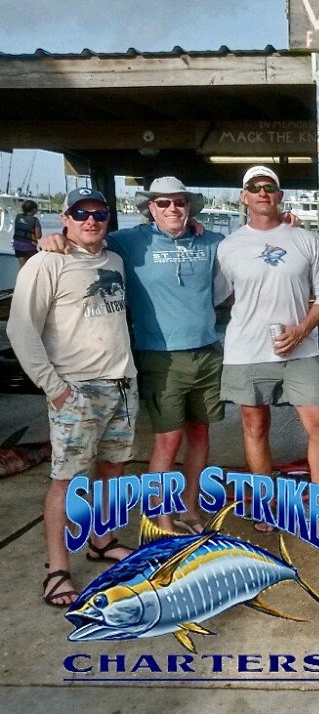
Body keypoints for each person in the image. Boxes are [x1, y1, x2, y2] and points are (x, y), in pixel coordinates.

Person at [40, 177, 227, 532]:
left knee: (201, 434)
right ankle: (162, 516)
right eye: (163, 203)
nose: (172, 208)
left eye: (179, 202)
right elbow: (87, 237)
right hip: (160, 356)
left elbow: (251, 248)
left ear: (189, 206)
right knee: (168, 440)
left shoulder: (211, 240)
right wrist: (54, 237)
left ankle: (189, 508)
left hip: (207, 352)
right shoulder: (129, 241)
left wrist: (287, 222)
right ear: (150, 208)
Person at [8, 188, 136, 606]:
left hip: (122, 384)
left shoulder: (113, 260)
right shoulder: (46, 262)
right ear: (65, 218)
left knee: (112, 470)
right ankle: (58, 570)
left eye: (98, 212)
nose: (90, 220)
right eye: (80, 213)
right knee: (66, 481)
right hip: (76, 389)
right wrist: (54, 387)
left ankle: (102, 540)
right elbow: (21, 330)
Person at [216, 166, 319, 522]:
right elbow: (217, 296)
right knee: (255, 427)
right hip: (246, 351)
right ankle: (266, 504)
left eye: (269, 187)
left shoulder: (306, 240)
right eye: (254, 187)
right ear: (244, 197)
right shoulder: (227, 247)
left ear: (280, 195)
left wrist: (302, 329)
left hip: (301, 350)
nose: (262, 192)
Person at [13, 199, 43, 267]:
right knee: (36, 265)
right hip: (29, 247)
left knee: (22, 267)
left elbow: (15, 230)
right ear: (34, 210)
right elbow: (38, 236)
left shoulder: (18, 217)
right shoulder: (35, 220)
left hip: (17, 245)